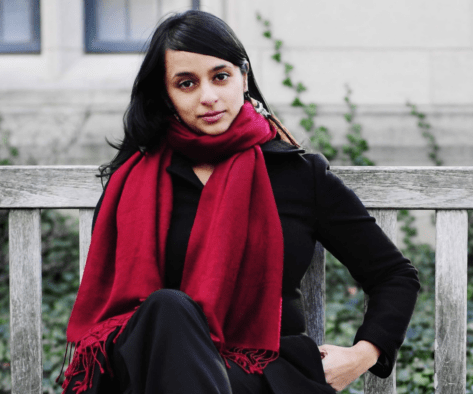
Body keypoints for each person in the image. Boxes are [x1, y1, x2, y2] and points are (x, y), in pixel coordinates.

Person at [61, 9, 420, 394]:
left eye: (220, 76)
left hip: (262, 373)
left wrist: (361, 355)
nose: (209, 97)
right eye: (186, 84)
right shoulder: (134, 182)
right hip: (148, 370)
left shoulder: (297, 175)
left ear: (243, 77)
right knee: (167, 309)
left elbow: (394, 275)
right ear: (165, 95)